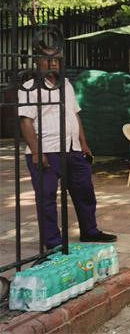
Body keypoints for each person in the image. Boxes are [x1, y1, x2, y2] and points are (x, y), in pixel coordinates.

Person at [17, 44, 116, 250]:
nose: (54, 63)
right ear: (37, 62)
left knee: (85, 192)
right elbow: (25, 122)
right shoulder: (29, 88)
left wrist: (83, 143)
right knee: (47, 199)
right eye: (48, 59)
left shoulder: (67, 85)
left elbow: (75, 114)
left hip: (73, 150)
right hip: (46, 151)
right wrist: (36, 151)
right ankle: (53, 243)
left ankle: (90, 231)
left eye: (57, 59)